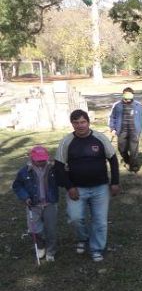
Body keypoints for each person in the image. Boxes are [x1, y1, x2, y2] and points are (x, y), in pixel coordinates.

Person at [55, 109, 121, 262]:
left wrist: (115, 182)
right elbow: (59, 166)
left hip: (100, 188)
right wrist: (69, 187)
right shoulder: (67, 141)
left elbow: (113, 159)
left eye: (83, 122)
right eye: (76, 123)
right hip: (77, 188)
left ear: (88, 122)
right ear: (72, 124)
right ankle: (83, 238)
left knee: (100, 221)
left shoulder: (100, 138)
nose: (80, 125)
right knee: (75, 217)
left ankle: (96, 248)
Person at [12, 145, 59, 261]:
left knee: (51, 229)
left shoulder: (52, 169)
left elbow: (63, 178)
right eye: (39, 160)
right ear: (32, 158)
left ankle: (51, 251)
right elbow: (17, 185)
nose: (42, 162)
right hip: (33, 205)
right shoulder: (24, 171)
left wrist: (62, 169)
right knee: (34, 229)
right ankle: (40, 245)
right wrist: (25, 197)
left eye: (44, 160)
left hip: (49, 203)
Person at [108, 87, 142, 173]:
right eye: (126, 98)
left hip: (134, 131)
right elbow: (112, 117)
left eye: (130, 98)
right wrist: (112, 128)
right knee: (122, 149)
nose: (128, 100)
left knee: (134, 150)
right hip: (122, 131)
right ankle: (127, 160)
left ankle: (134, 166)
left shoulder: (138, 106)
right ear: (123, 95)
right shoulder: (117, 106)